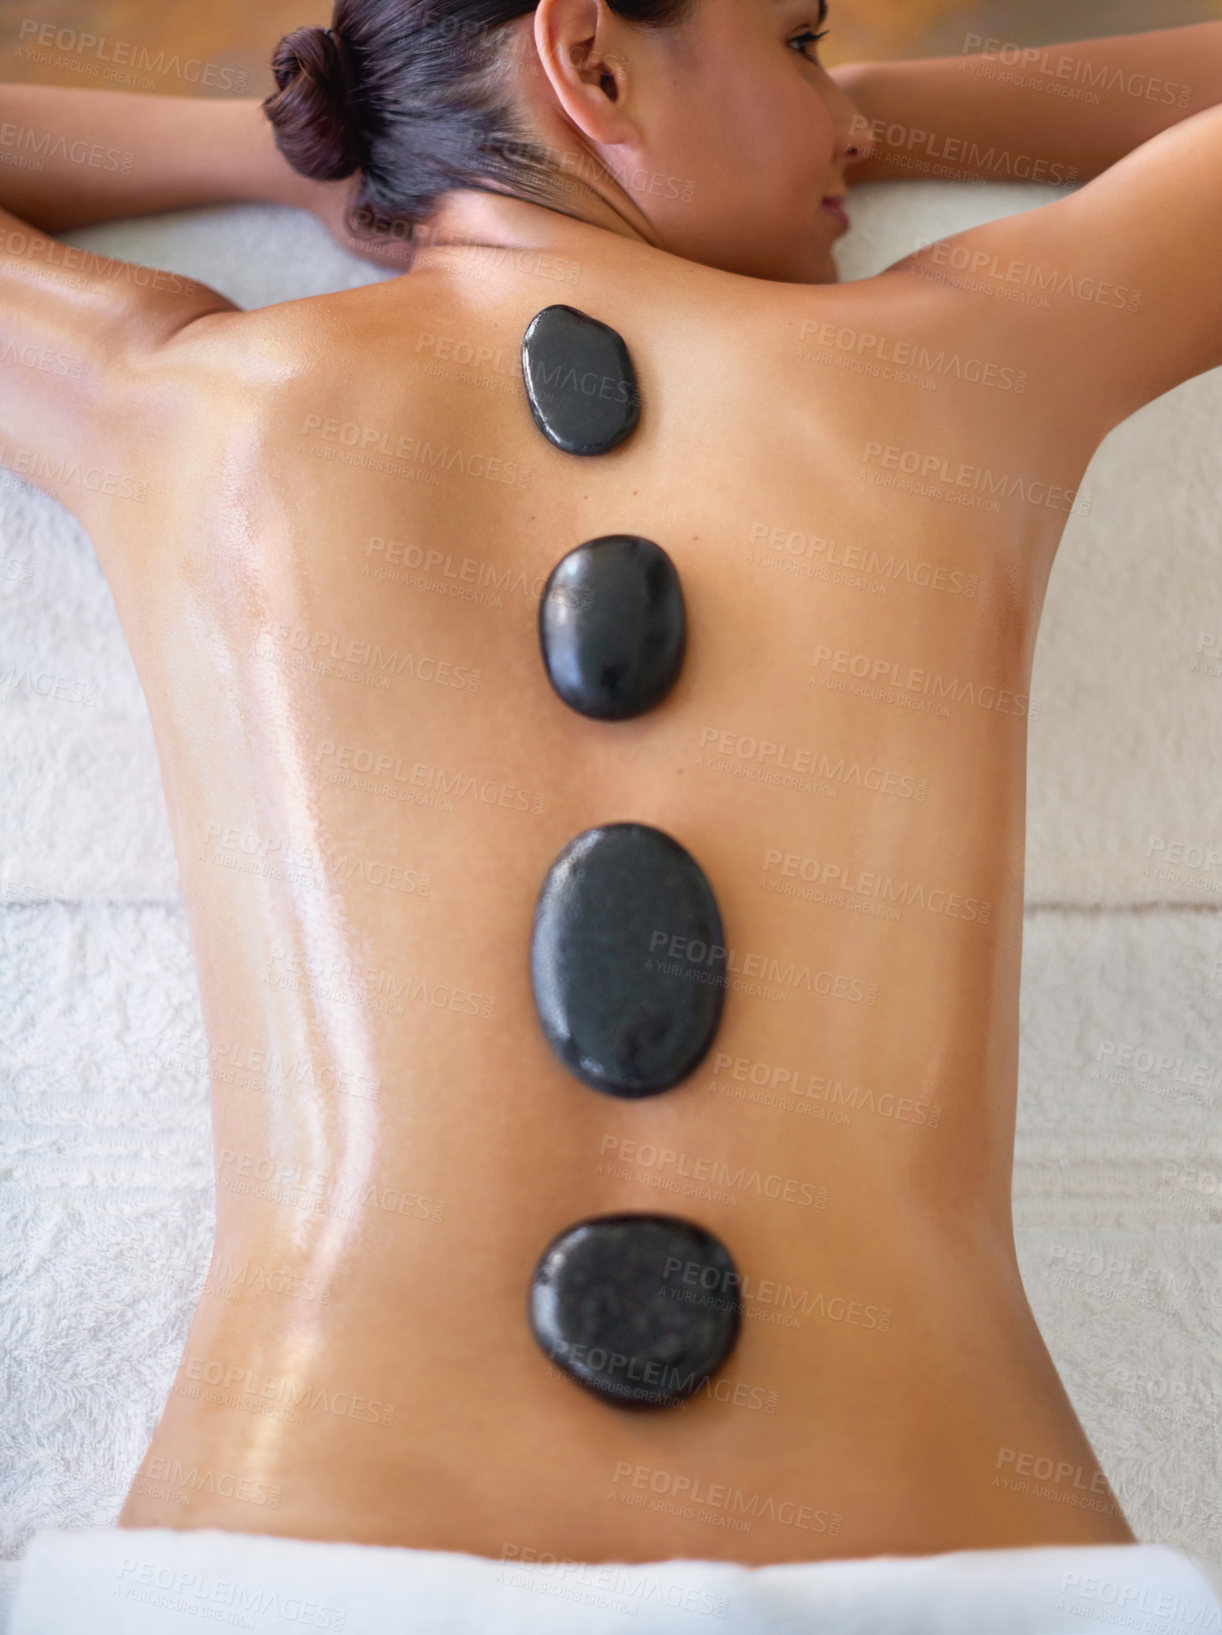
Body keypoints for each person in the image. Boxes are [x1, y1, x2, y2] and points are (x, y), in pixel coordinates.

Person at [1, 0, 1219, 1565]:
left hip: (302, 1553)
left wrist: (310, 151)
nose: (847, 118)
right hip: (932, 1553)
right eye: (799, 40)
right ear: (588, 56)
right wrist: (902, 116)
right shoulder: (966, 358)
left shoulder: (183, 400)